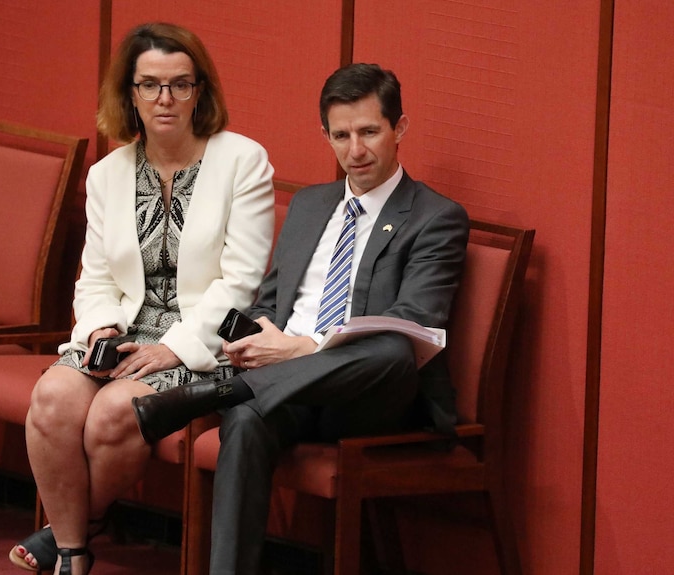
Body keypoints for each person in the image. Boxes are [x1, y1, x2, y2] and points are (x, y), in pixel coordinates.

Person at [131, 62, 470, 574]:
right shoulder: (311, 205)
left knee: (394, 348)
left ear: (400, 128)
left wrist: (305, 350)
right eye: (341, 135)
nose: (355, 150)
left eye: (369, 132)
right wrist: (252, 338)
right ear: (326, 136)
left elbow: (415, 320)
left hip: (366, 396)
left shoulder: (435, 217)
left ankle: (218, 392)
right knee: (244, 422)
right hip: (284, 389)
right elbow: (270, 302)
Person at [8, 22, 275, 575]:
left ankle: (68, 533)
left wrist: (175, 348)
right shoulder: (108, 174)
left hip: (201, 340)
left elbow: (241, 283)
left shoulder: (242, 161)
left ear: (201, 89)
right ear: (129, 93)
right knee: (52, 402)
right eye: (150, 85)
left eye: (180, 84)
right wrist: (102, 328)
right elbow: (96, 277)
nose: (165, 99)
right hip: (124, 332)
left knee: (112, 416)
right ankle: (76, 556)